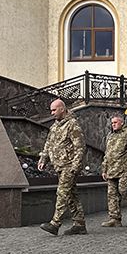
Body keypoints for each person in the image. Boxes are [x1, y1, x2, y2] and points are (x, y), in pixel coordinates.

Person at [38, 99, 87, 235]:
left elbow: (80, 147)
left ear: (62, 109)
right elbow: (49, 143)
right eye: (51, 110)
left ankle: (55, 223)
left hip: (69, 166)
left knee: (62, 192)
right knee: (71, 195)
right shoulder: (55, 126)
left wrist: (75, 166)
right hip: (59, 165)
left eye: (54, 110)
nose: (52, 113)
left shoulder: (72, 124)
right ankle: (79, 224)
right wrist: (43, 159)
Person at [100, 114, 127, 227]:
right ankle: (114, 218)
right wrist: (104, 169)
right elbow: (107, 154)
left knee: (125, 192)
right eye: (112, 123)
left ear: (122, 123)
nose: (113, 125)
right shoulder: (111, 136)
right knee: (112, 195)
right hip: (111, 170)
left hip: (124, 170)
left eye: (115, 122)